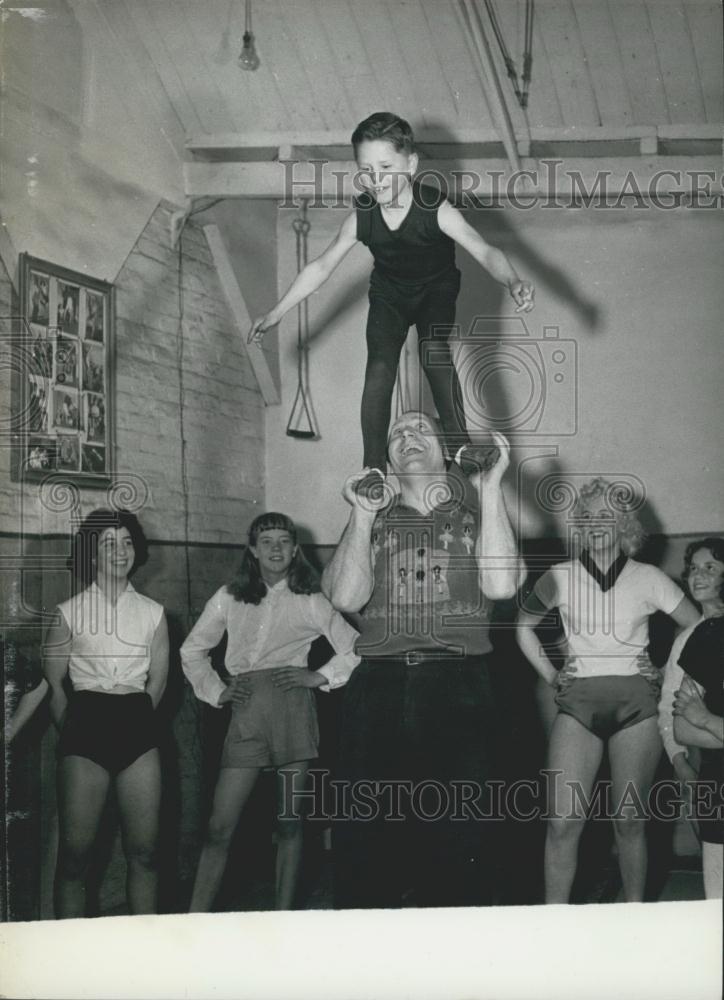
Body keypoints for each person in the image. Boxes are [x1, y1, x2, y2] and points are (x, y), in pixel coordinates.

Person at [249, 111, 534, 494]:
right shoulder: (362, 217)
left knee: (434, 350)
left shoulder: (437, 209)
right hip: (390, 296)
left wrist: (513, 280)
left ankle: (460, 446)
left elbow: (485, 251)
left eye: (385, 166)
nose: (375, 179)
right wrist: (275, 312)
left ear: (411, 164)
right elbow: (322, 266)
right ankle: (373, 467)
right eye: (365, 169)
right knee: (380, 368)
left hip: (436, 290)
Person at [322, 410, 524, 908]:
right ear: (386, 456)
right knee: (367, 842)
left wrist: (492, 485)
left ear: (445, 450)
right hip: (379, 690)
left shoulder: (476, 518)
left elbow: (501, 585)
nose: (406, 436)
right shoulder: (371, 522)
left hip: (458, 687)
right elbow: (345, 597)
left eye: (419, 429)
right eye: (395, 433)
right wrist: (363, 512)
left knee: (461, 842)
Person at [516, 478, 700, 903]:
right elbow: (523, 627)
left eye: (606, 516)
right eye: (586, 517)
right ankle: (554, 922)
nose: (595, 524)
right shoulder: (560, 575)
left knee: (630, 822)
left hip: (637, 708)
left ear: (623, 525)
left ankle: (633, 919)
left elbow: (697, 628)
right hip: (577, 706)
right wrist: (550, 673)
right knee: (562, 822)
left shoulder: (649, 577)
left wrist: (665, 669)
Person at [180, 512, 360, 911]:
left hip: (293, 708)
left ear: (295, 549)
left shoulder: (312, 600)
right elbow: (192, 650)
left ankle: (282, 919)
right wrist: (218, 690)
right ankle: (194, 920)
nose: (275, 549)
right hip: (246, 709)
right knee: (219, 826)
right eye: (266, 542)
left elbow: (356, 648)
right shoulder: (229, 595)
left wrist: (320, 676)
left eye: (283, 541)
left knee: (289, 822)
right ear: (252, 550)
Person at [42, 508, 168, 918]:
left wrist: (136, 723)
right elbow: (55, 685)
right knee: (75, 858)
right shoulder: (68, 612)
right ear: (91, 554)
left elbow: (157, 685)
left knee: (145, 853)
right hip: (85, 727)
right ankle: (71, 960)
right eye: (109, 543)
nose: (121, 551)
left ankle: (144, 953)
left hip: (137, 726)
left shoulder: (154, 613)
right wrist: (75, 732)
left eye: (127, 542)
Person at [658, 538, 724, 899]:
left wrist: (706, 721)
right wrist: (680, 760)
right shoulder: (692, 640)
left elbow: (695, 719)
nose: (697, 576)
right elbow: (677, 719)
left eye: (710, 567)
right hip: (712, 772)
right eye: (693, 569)